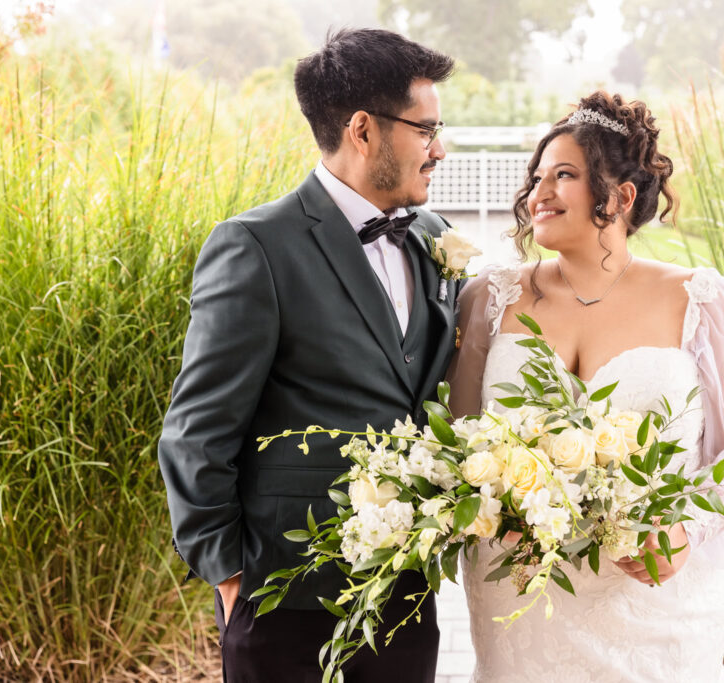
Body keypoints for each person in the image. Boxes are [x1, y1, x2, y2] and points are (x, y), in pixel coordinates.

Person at [446, 92, 724, 681]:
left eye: (565, 175)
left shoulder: (702, 301)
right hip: (521, 594)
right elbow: (458, 437)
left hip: (654, 599)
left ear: (622, 196)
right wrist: (489, 505)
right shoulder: (489, 297)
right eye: (537, 177)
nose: (539, 192)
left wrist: (687, 528)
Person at [158, 29, 460, 682]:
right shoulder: (255, 247)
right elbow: (195, 433)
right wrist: (231, 575)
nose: (441, 148)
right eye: (427, 129)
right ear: (363, 130)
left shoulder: (437, 238)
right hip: (285, 600)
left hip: (407, 594)